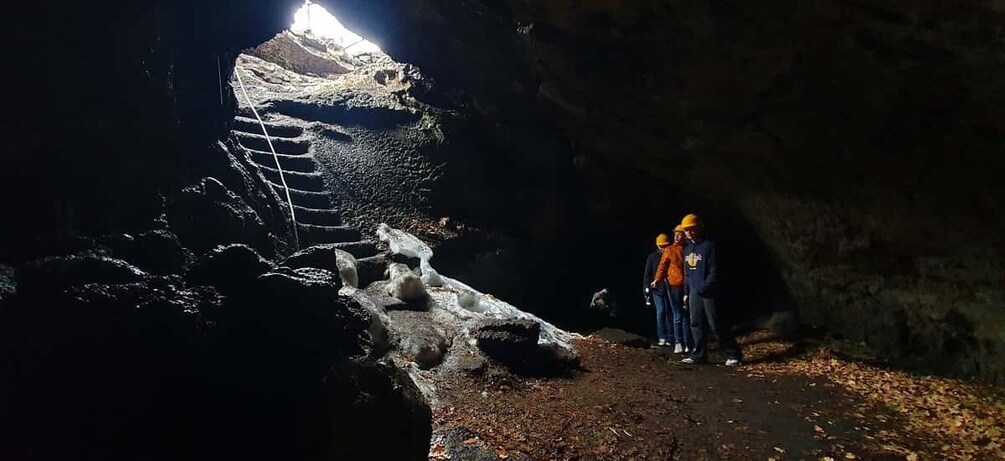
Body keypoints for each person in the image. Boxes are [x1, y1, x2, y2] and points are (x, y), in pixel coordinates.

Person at [679, 214, 742, 366]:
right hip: (694, 292)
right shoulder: (687, 249)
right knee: (695, 323)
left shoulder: (709, 246)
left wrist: (705, 287)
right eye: (686, 230)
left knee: (716, 323)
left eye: (691, 229)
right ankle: (699, 355)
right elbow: (687, 273)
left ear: (699, 228)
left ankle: (733, 354)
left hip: (709, 292)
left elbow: (715, 271)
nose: (688, 232)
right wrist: (687, 293)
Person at [653, 225, 692, 354]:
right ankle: (678, 342)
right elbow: (662, 266)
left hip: (687, 286)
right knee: (678, 315)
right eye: (675, 234)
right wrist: (657, 280)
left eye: (679, 234)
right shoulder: (669, 250)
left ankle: (687, 343)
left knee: (686, 316)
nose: (676, 236)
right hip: (674, 285)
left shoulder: (689, 249)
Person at [643, 233, 674, 347]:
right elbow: (647, 275)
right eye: (661, 246)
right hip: (657, 289)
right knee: (661, 312)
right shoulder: (652, 257)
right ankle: (662, 336)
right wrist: (646, 290)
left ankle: (671, 337)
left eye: (666, 246)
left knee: (670, 313)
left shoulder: (671, 254)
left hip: (670, 289)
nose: (663, 248)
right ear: (657, 246)